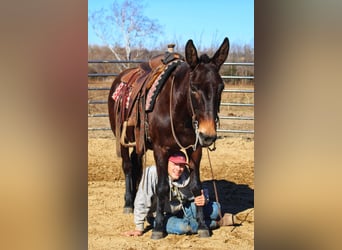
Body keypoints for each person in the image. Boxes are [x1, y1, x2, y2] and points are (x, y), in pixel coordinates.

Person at [123, 151, 240, 237]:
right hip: (159, 214)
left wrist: (205, 198)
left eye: (182, 165)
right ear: (166, 163)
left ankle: (208, 220)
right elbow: (142, 199)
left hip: (182, 208)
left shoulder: (186, 174)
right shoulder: (152, 173)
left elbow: (201, 187)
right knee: (183, 227)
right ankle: (217, 223)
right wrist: (139, 227)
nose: (178, 169)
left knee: (216, 209)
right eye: (175, 164)